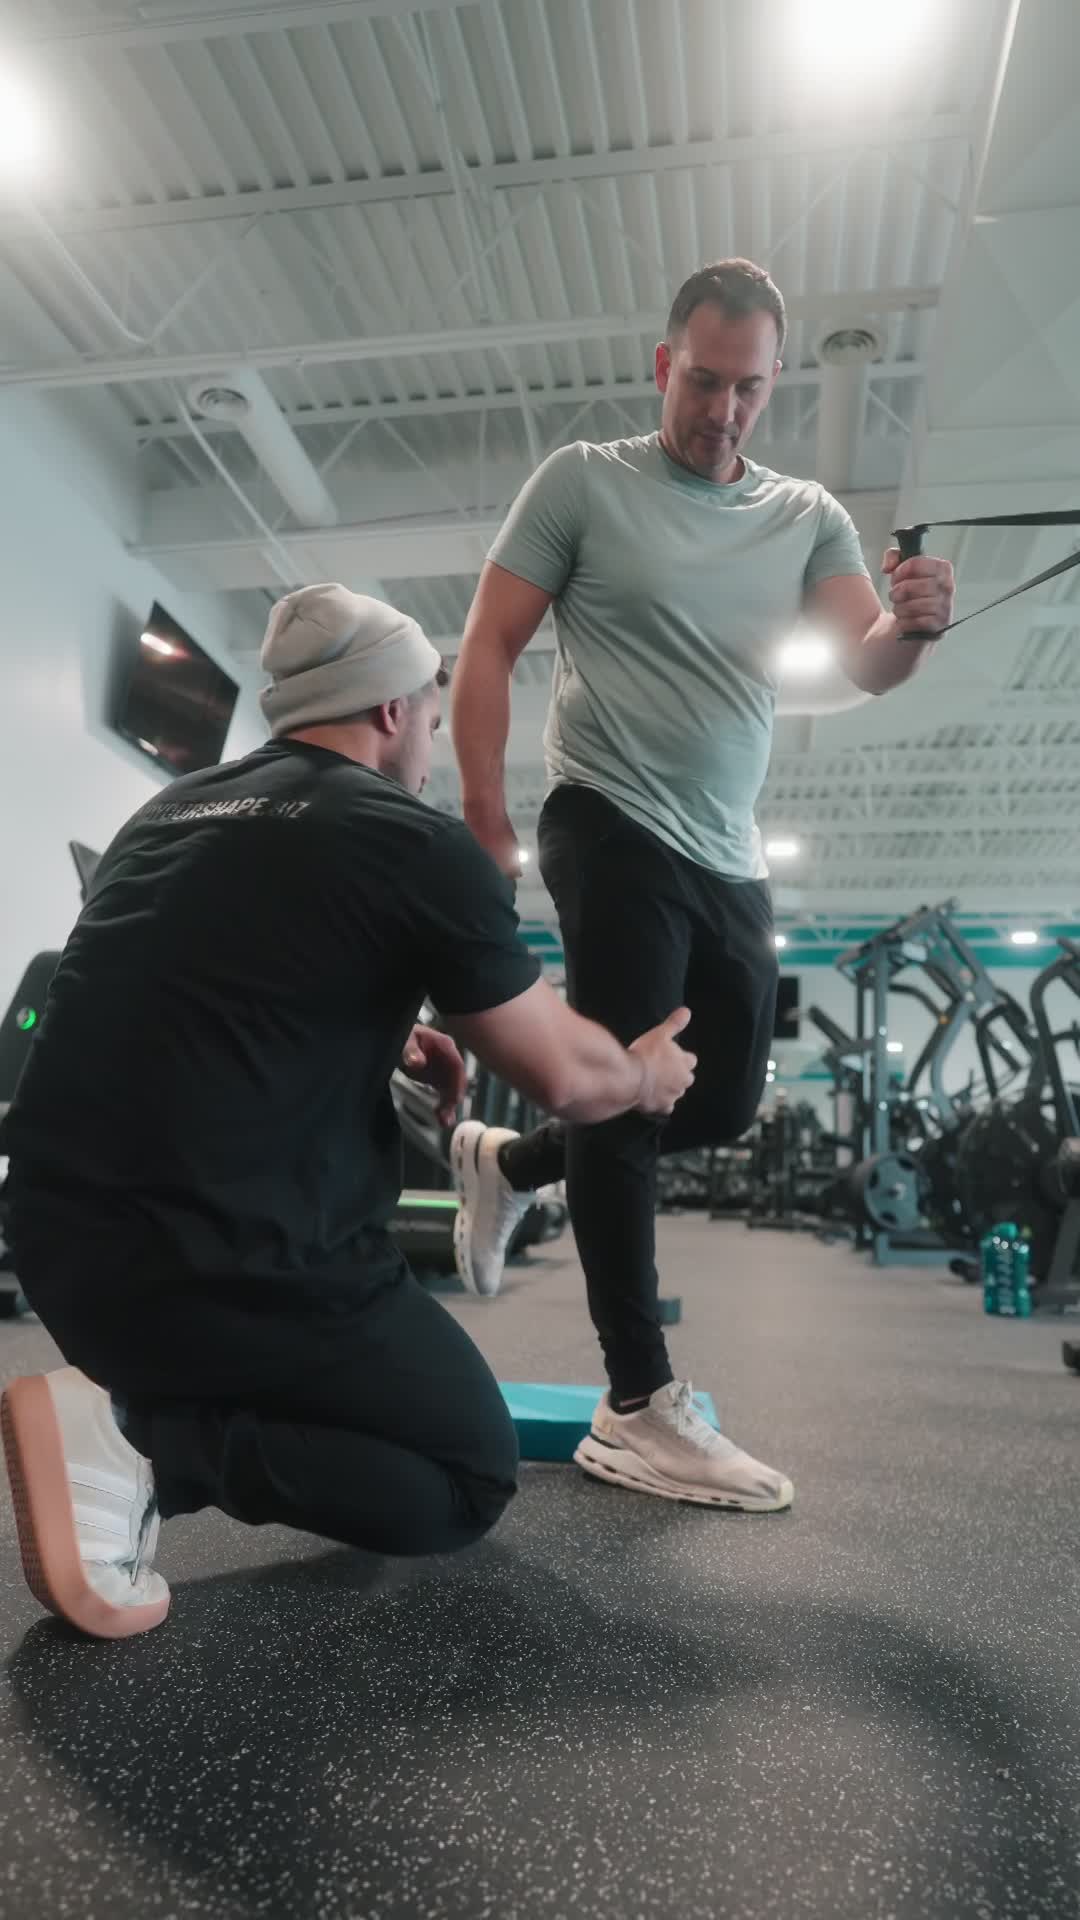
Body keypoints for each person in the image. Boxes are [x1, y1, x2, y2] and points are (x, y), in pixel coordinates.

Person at [0, 584, 696, 1640]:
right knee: (465, 1476)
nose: (430, 747)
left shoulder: (165, 814)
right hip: (227, 1266)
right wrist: (645, 1076)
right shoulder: (412, 841)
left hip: (58, 1252)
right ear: (392, 709)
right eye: (432, 720)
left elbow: (192, 1002)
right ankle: (147, 1450)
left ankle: (141, 1407)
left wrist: (382, 1036)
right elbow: (566, 1078)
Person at [450, 258, 956, 1509]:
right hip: (607, 816)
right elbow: (490, 645)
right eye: (705, 381)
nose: (724, 411)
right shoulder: (584, 481)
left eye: (749, 389)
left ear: (773, 384)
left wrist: (914, 625)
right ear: (664, 364)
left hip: (728, 849)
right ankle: (637, 1404)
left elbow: (868, 662)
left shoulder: (805, 513)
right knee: (629, 1095)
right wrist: (484, 820)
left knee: (719, 1100)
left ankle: (510, 1165)